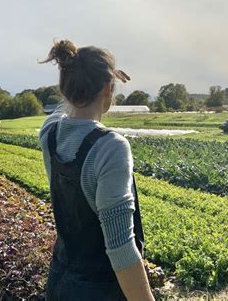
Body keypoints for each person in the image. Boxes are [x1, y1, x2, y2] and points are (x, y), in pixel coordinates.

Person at [38, 39, 154, 301]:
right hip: (100, 290)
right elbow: (121, 248)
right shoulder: (110, 148)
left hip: (59, 280)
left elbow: (64, 108)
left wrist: (97, 78)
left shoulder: (49, 133)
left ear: (65, 89)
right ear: (108, 89)